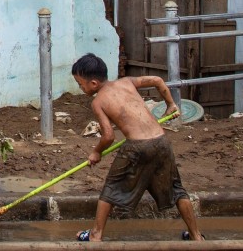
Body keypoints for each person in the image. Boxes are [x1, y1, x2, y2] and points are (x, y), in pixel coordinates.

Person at [71, 53, 203, 243]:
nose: (80, 87)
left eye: (79, 83)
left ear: (93, 83)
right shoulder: (127, 82)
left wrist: (96, 152)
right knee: (177, 189)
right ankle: (196, 236)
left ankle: (95, 235)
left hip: (137, 147)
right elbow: (157, 80)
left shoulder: (98, 101)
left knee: (110, 188)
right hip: (161, 141)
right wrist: (171, 104)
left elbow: (108, 136)